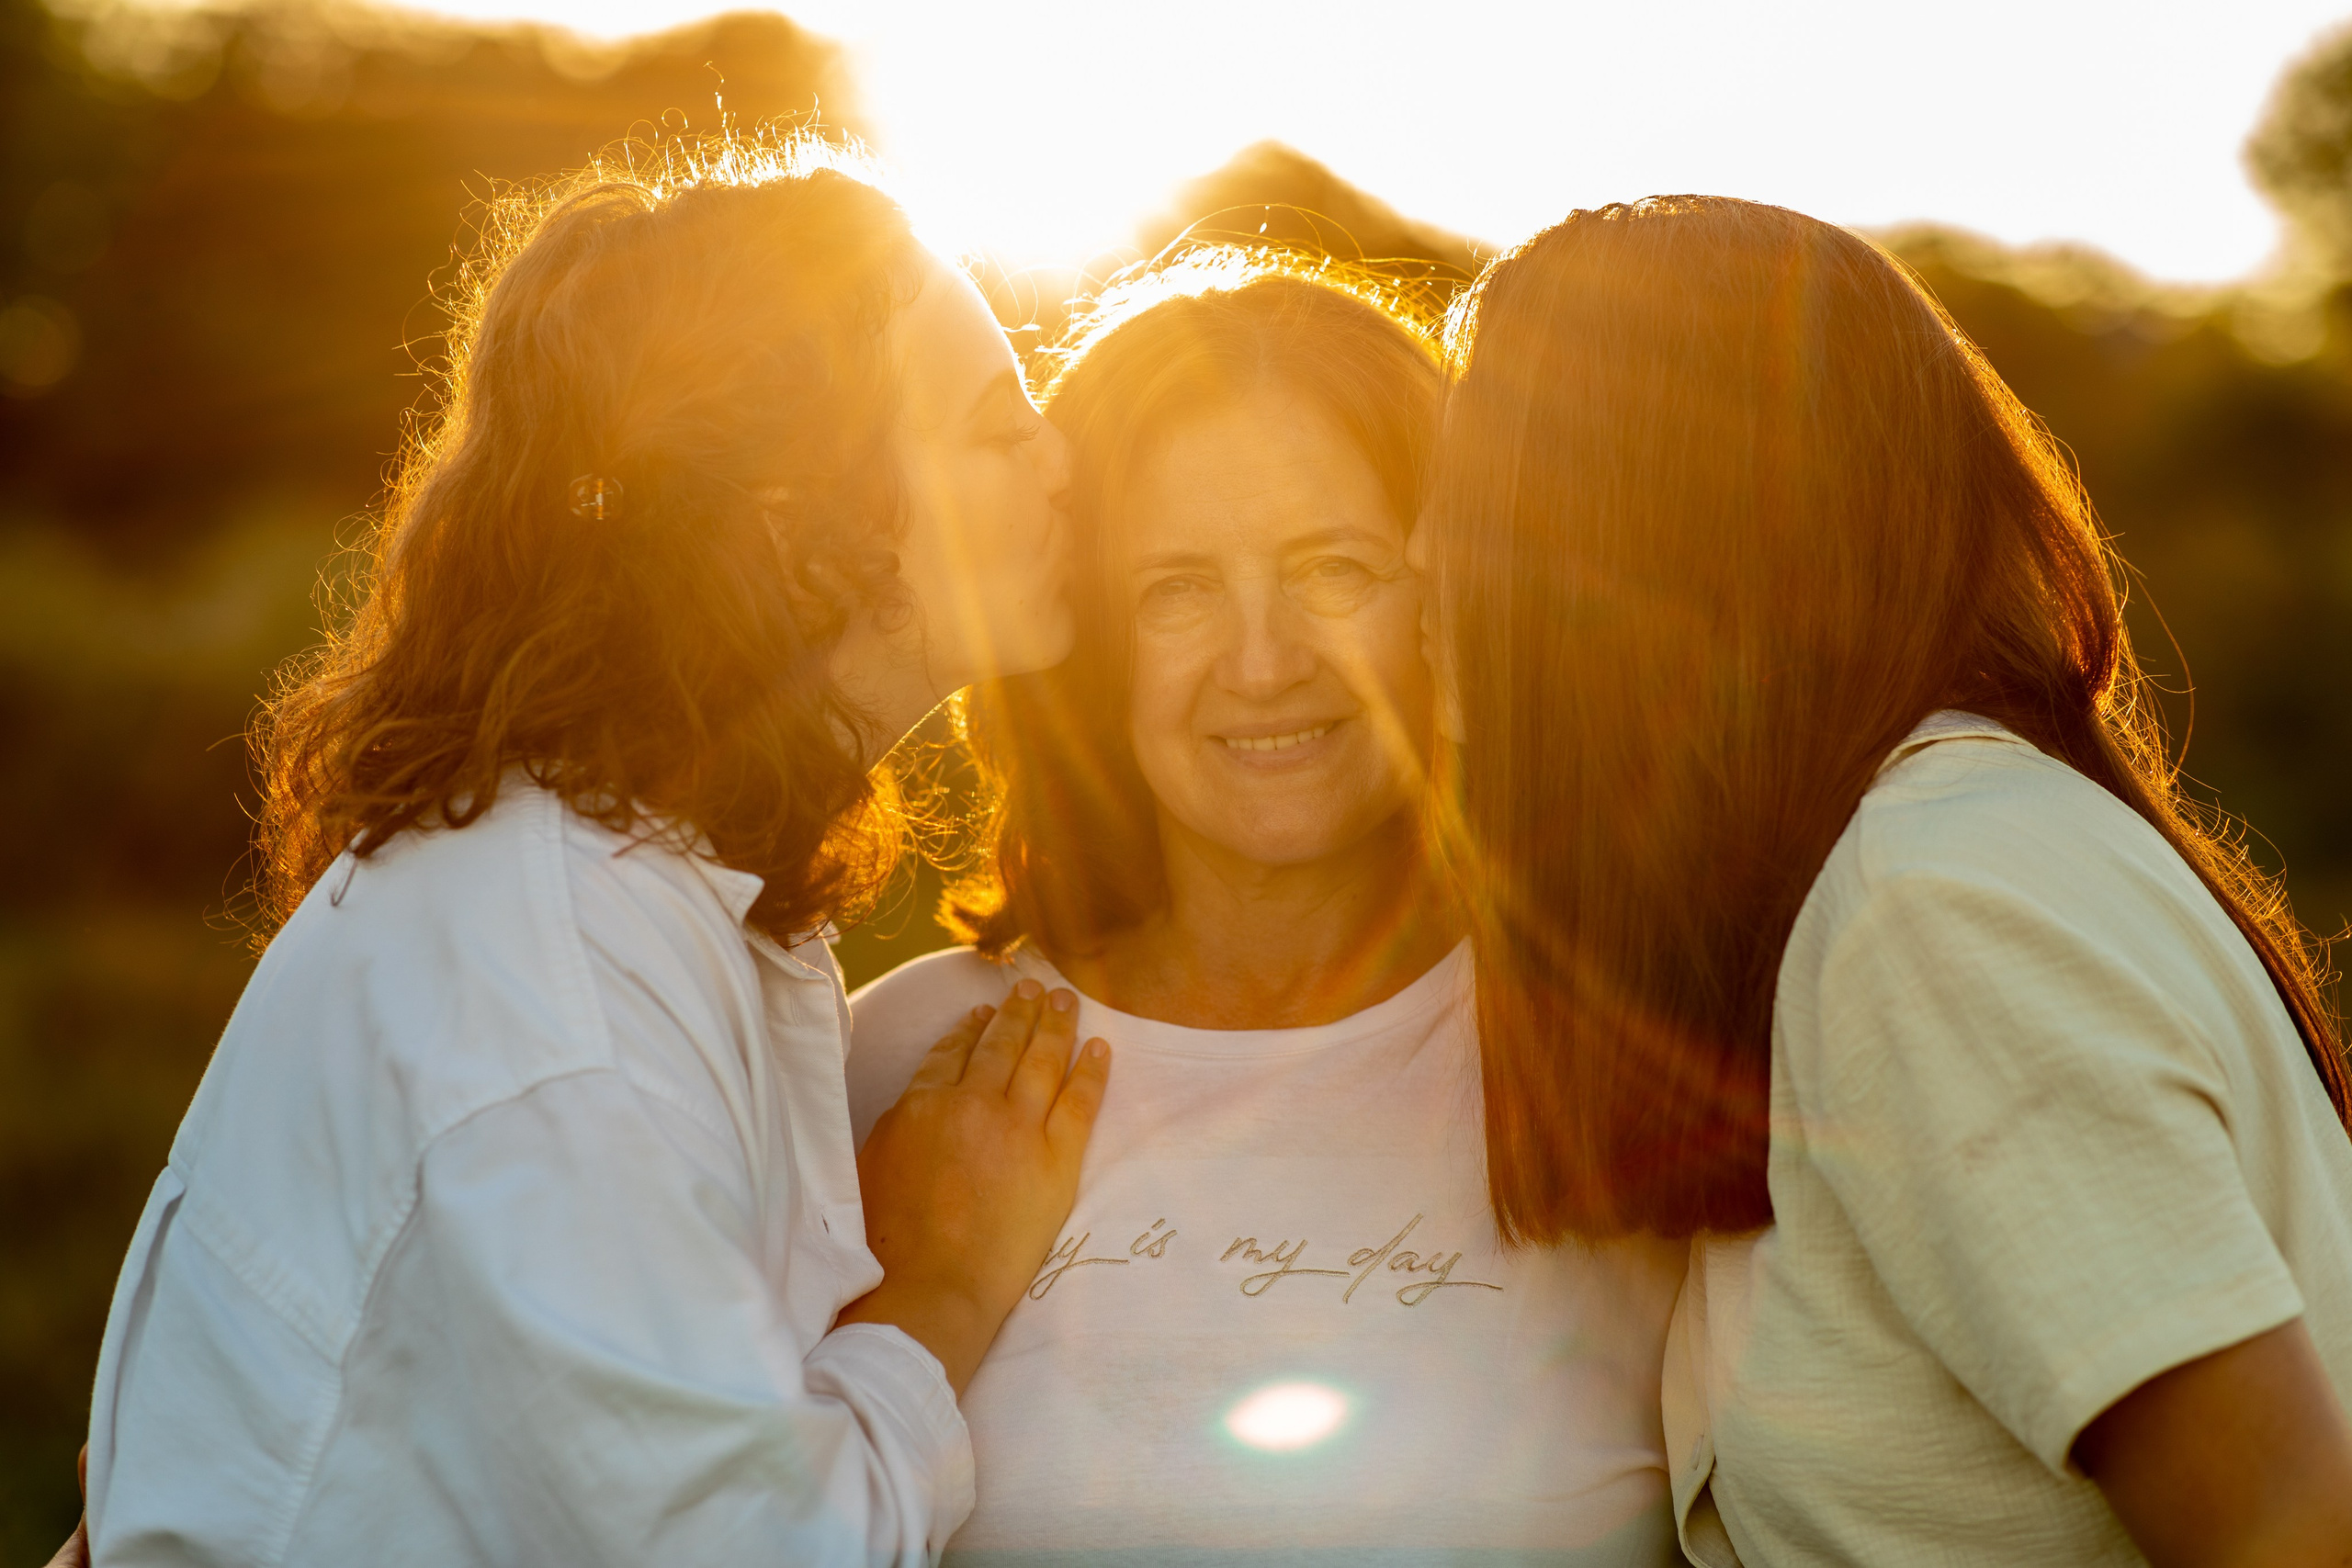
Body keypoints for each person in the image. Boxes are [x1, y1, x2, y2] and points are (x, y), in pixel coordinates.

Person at [81, 130, 1110, 1565]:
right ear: (799, 531)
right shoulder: (562, 982)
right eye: (1000, 430)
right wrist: (938, 1284)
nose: (1065, 464)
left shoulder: (661, 903)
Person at [1410, 194, 2352, 1566]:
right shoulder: (1922, 863)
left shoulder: (1936, 909)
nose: (1429, 549)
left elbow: (2291, 1533)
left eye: (1481, 480)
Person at [848, 250, 1687, 1564]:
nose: (1263, 662)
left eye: (1336, 571)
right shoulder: (891, 1063)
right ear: (1090, 635)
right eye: (1176, 589)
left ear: (1456, 591)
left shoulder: (1640, 1057)